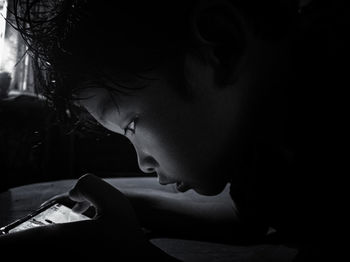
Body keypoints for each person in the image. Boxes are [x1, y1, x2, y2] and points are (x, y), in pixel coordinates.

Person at [0, 0, 346, 260]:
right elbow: (245, 217)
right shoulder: (261, 137)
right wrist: (127, 205)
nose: (144, 164)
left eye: (132, 125)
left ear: (221, 45)